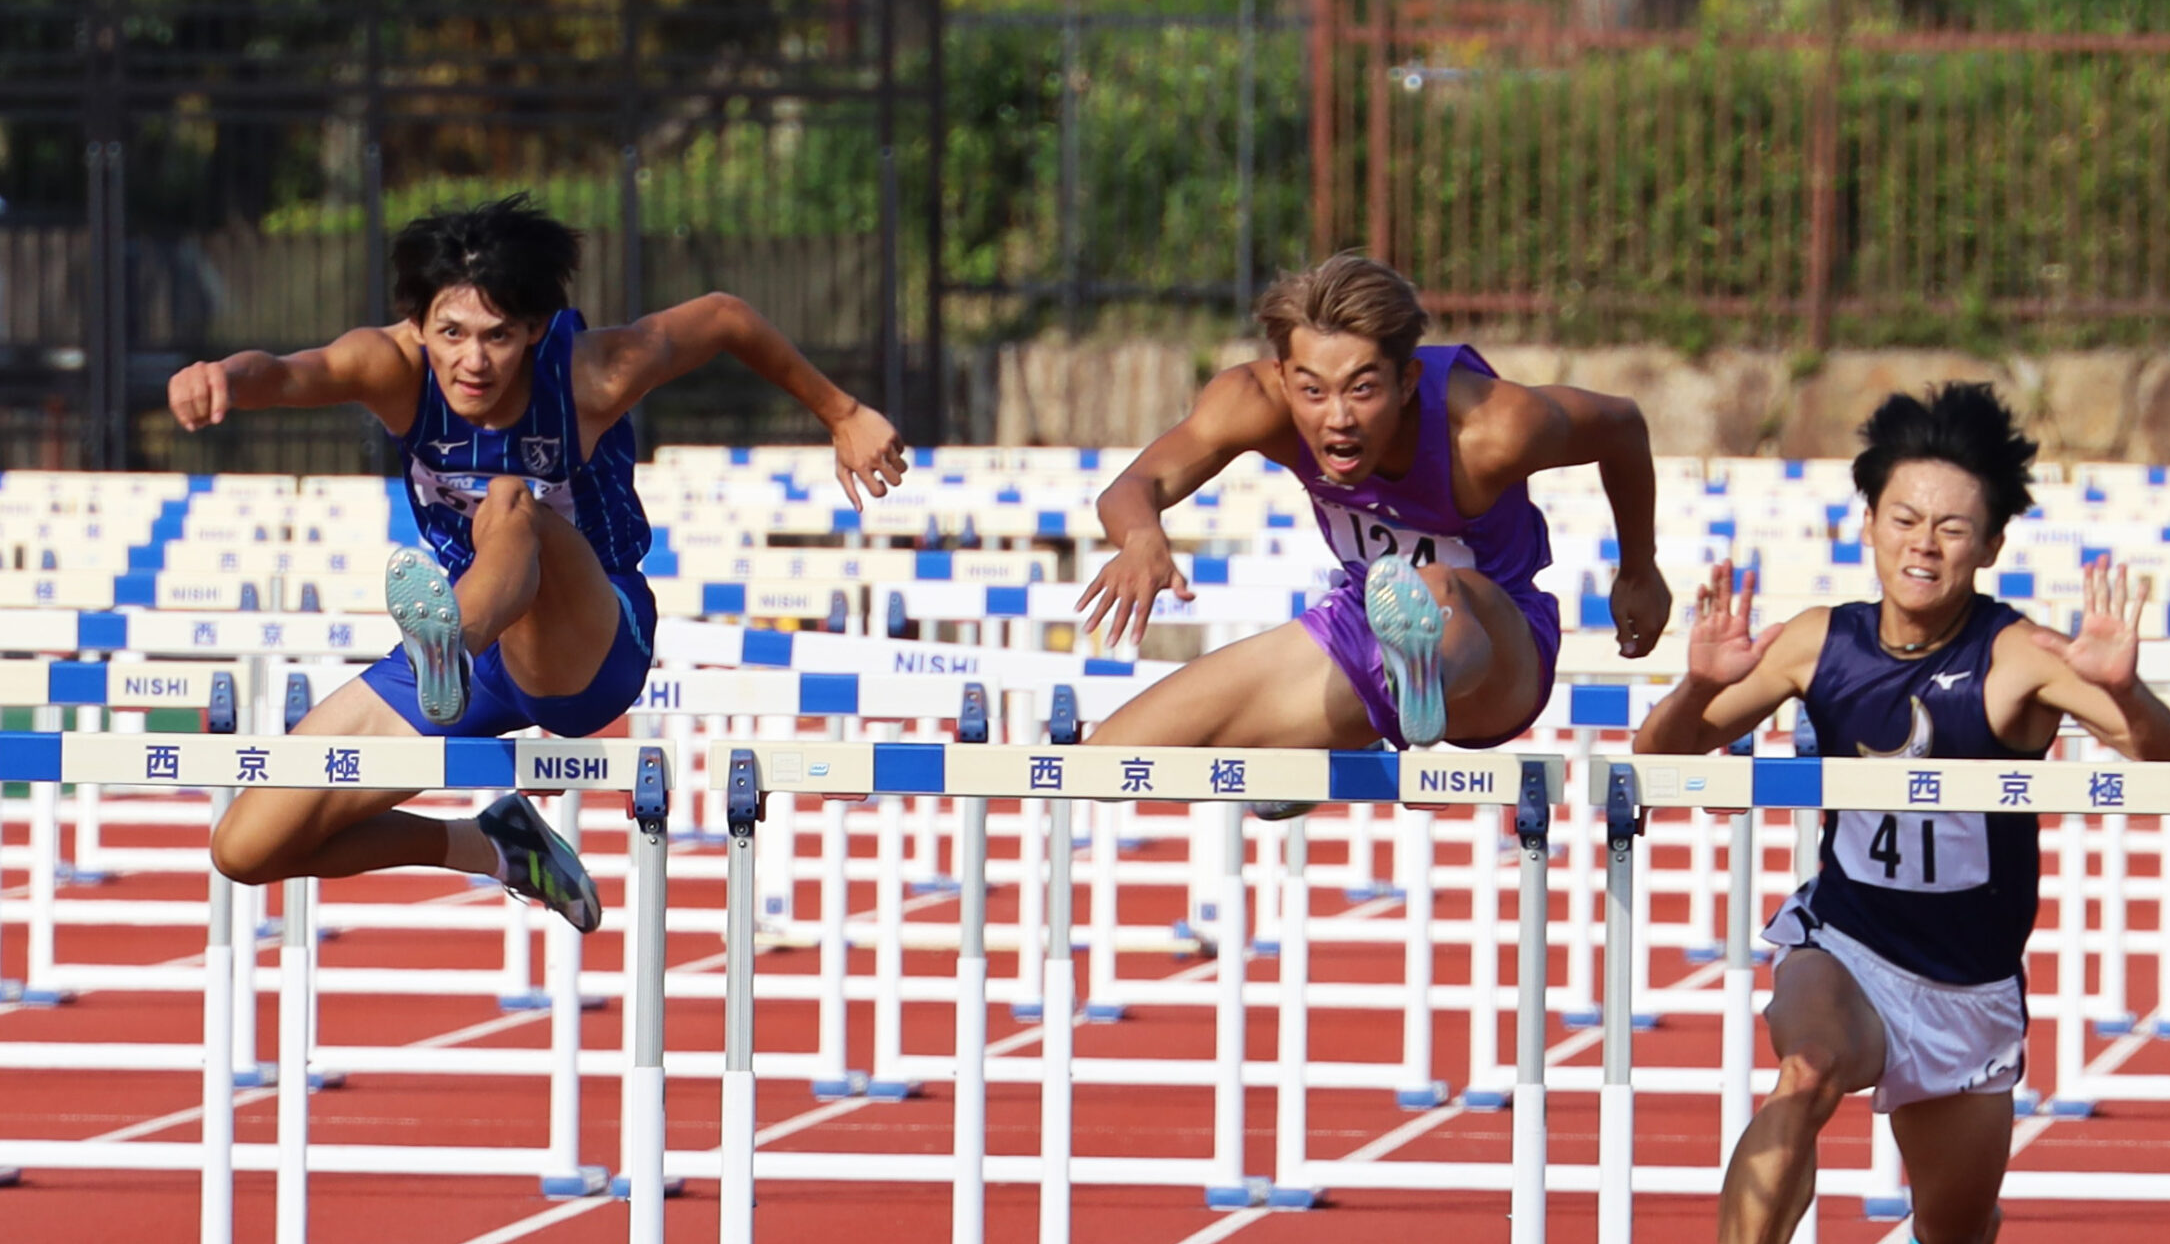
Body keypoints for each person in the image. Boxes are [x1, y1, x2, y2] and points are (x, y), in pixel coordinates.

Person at [1635, 383, 2170, 1244]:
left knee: (1962, 1235)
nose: (1923, 544)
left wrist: (2122, 693)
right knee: (1801, 1075)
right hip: (1844, 943)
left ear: (1986, 546)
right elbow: (1659, 760)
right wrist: (1691, 686)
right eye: (1904, 520)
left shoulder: (2018, 655)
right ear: (1867, 524)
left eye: (1951, 527)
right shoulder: (1815, 643)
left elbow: (2168, 768)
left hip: (1966, 992)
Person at [166, 194, 907, 929]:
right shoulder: (393, 366)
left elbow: (722, 316)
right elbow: (294, 371)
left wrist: (842, 413)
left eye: (498, 336)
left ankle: (450, 644)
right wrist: (225, 378)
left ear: (535, 329)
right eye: (451, 333)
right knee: (248, 845)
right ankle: (494, 844)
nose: (473, 360)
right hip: (470, 665)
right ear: (419, 325)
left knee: (511, 503)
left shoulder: (588, 375)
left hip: (590, 641)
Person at [1076, 253, 1670, 754]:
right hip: (1363, 622)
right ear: (1283, 379)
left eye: (1363, 389)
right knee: (1106, 759)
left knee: (1440, 586)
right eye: (1312, 390)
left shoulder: (1495, 428)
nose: (1337, 419)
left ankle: (1410, 683)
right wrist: (1140, 537)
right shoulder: (1252, 401)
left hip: (1500, 653)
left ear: (1407, 380)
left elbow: (1622, 425)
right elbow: (1133, 488)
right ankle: (1361, 710)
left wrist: (1639, 570)